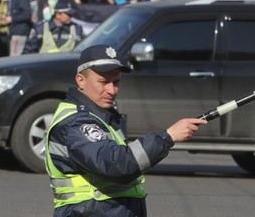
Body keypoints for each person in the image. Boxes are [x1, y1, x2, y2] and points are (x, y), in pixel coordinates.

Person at [45, 45, 207, 217]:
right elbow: (117, 165)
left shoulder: (101, 116)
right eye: (103, 81)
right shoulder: (77, 122)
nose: (112, 90)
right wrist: (167, 137)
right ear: (80, 80)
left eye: (116, 82)